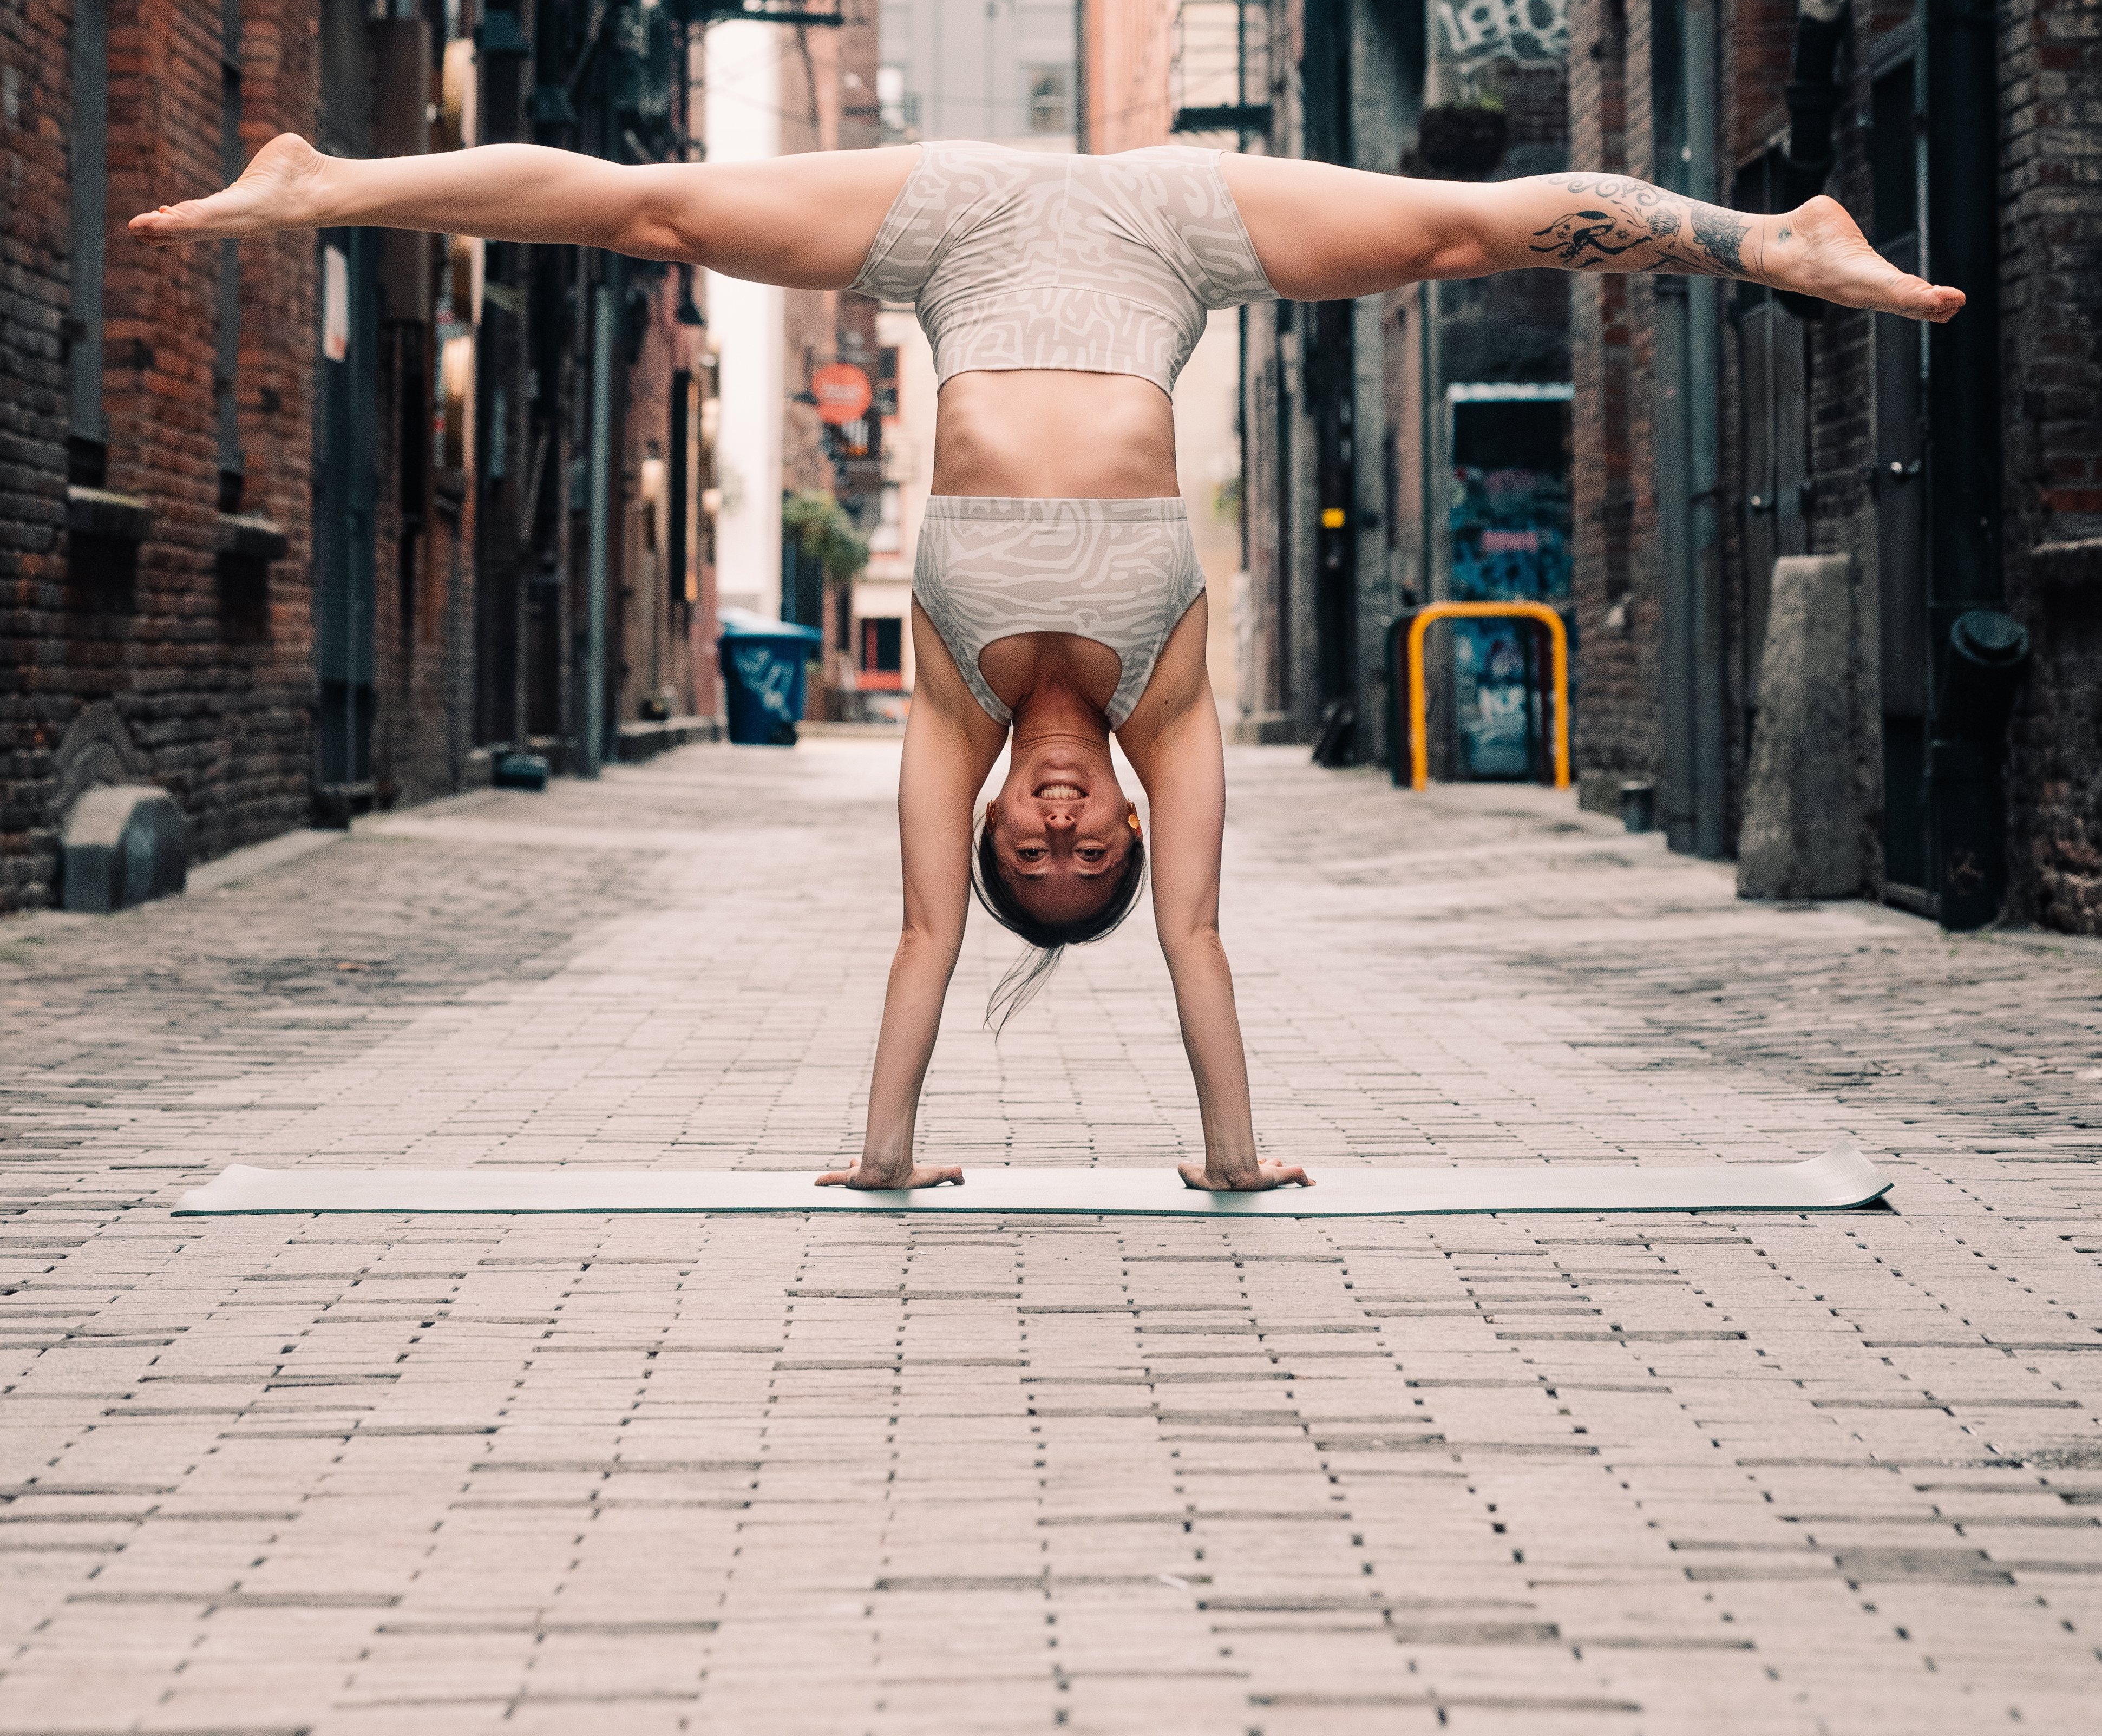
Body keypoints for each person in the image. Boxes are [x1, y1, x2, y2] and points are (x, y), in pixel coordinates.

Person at [135, 133, 1959, 1193]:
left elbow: (924, 937)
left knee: (658, 215)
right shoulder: (1166, 692)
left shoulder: (947, 692)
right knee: (1455, 232)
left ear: (1003, 817)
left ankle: (320, 184)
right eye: (1097, 851)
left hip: (957, 226)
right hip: (1173, 233)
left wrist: (881, 1155)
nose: (1074, 829)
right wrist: (1232, 1159)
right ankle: (1772, 241)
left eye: (1041, 850)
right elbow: (1201, 938)